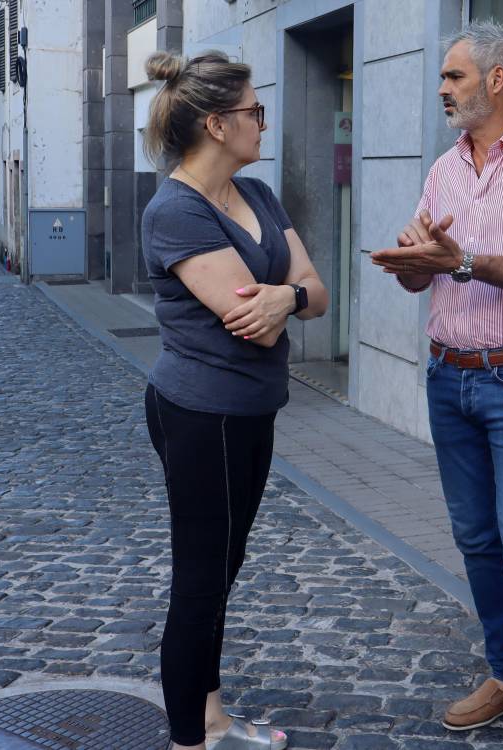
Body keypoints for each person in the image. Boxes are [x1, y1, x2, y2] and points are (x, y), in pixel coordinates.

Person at [371, 20, 503, 750]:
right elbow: (427, 265)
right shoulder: (444, 169)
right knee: (475, 540)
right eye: (442, 77)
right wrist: (410, 264)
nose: (442, 88)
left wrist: (463, 260)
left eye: (454, 76)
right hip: (448, 376)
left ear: (496, 79)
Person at [139, 49, 328, 750]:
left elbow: (314, 293)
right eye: (254, 111)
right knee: (200, 577)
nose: (263, 122)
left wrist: (290, 295)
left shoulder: (260, 197)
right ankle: (190, 738)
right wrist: (286, 295)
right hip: (200, 414)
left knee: (225, 568)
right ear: (218, 125)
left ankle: (213, 717)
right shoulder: (174, 212)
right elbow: (243, 314)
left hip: (252, 410)